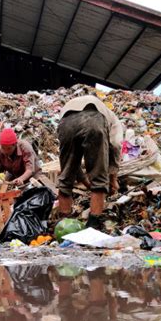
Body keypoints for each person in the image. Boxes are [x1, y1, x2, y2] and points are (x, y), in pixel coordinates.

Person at [57, 95, 123, 229]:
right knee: (99, 178)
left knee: (66, 177)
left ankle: (64, 225)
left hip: (66, 121)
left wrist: (86, 183)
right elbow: (115, 144)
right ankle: (93, 225)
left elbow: (72, 166)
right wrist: (112, 178)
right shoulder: (113, 118)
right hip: (94, 120)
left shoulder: (72, 103)